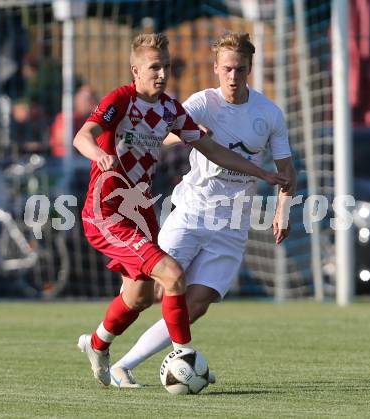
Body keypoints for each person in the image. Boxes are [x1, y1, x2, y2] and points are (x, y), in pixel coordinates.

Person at [73, 33, 289, 387]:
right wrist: (99, 153)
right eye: (154, 67)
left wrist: (263, 173)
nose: (162, 73)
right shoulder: (121, 100)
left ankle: (96, 344)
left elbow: (214, 150)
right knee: (172, 275)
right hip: (108, 209)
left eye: (166, 66)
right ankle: (184, 357)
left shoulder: (170, 109)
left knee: (141, 295)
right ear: (136, 70)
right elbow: (83, 134)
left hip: (140, 210)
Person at [50, 85, 98, 157]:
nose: (93, 102)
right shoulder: (66, 118)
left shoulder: (86, 119)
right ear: (79, 101)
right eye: (90, 99)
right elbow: (63, 142)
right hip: (65, 161)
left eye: (94, 98)